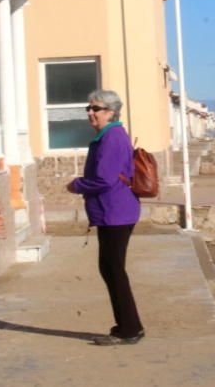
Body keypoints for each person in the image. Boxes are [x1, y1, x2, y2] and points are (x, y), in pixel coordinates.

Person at [66, 89, 145, 345]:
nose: (90, 113)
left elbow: (104, 179)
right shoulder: (109, 135)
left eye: (95, 109)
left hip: (116, 212)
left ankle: (129, 329)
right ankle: (129, 325)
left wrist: (77, 185)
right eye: (88, 108)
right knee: (111, 269)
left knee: (113, 270)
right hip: (115, 211)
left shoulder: (111, 137)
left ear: (110, 112)